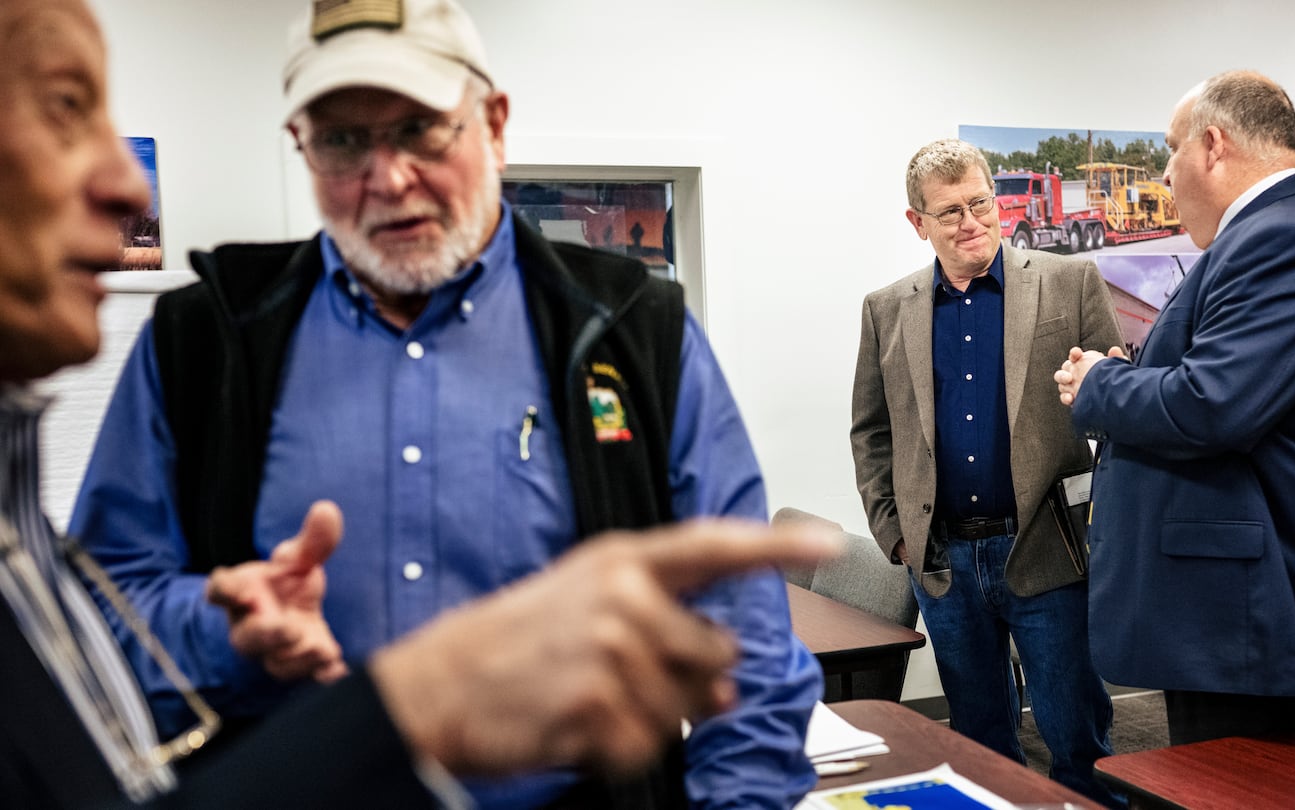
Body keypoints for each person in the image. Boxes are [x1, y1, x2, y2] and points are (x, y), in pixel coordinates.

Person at [0, 2, 843, 806]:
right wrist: (228, 638)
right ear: (302, 146)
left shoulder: (634, 330)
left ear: (496, 124)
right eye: (341, 141)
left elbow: (749, 651)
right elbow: (103, 628)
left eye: (417, 129)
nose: (388, 176)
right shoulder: (204, 337)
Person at [1054, 70, 1295, 745]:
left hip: (1263, 623)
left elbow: (1209, 404)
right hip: (1245, 620)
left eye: (1169, 149)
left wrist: (1101, 383)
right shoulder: (1278, 232)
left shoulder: (1283, 240)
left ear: (1213, 145)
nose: (1162, 174)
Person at [850, 138, 1125, 806]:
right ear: (918, 223)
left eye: (980, 202)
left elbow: (1119, 406)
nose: (971, 221)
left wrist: (1105, 526)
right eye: (950, 213)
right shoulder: (886, 309)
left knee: (1076, 736)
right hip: (945, 561)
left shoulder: (1068, 282)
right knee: (975, 744)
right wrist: (896, 538)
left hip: (1047, 547)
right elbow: (872, 431)